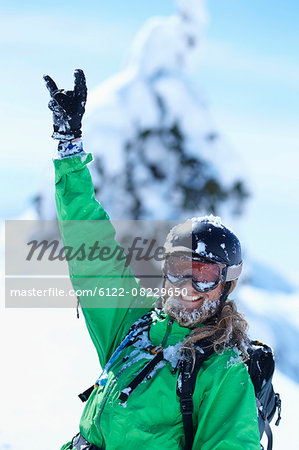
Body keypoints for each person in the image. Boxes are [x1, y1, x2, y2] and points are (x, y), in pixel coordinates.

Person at [44, 69, 261, 450]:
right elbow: (93, 254)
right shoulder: (135, 326)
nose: (188, 288)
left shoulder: (222, 372)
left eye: (204, 275)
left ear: (225, 286)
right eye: (179, 271)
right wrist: (70, 150)